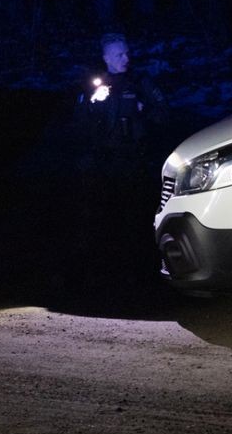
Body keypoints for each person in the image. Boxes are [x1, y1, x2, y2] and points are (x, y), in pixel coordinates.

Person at [70, 32, 169, 279]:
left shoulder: (140, 82)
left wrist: (143, 111)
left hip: (134, 160)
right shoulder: (94, 83)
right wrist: (92, 104)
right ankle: (98, 267)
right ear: (106, 57)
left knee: (135, 215)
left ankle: (137, 267)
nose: (126, 58)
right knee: (100, 215)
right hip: (102, 161)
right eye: (119, 54)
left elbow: (164, 113)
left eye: (127, 52)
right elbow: (77, 124)